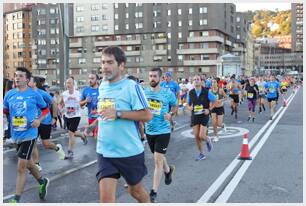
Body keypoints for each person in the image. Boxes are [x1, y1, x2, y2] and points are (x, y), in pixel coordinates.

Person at [85, 46, 152, 203]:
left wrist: (119, 113)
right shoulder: (102, 86)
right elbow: (106, 113)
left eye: (109, 62)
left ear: (121, 65)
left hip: (129, 152)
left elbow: (147, 115)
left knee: (135, 191)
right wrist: (94, 124)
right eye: (102, 63)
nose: (104, 67)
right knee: (106, 201)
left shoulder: (131, 87)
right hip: (105, 151)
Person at [3, 67, 50, 203]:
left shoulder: (34, 94)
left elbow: (45, 109)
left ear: (27, 80)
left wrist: (38, 120)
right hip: (16, 134)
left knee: (21, 166)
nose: (17, 78)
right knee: (29, 164)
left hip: (30, 134)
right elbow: (6, 111)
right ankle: (42, 181)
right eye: (16, 75)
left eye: (21, 76)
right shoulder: (9, 94)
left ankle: (15, 200)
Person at [144, 67, 178, 202]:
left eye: (154, 76)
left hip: (163, 131)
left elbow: (175, 105)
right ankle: (168, 171)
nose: (152, 78)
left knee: (157, 160)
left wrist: (171, 114)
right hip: (149, 131)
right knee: (159, 156)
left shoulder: (167, 93)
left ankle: (153, 191)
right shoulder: (145, 92)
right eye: (150, 76)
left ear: (160, 78)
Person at [28, 76, 66, 172]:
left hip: (45, 121)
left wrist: (54, 117)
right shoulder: (27, 93)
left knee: (46, 144)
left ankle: (57, 148)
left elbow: (53, 103)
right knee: (33, 143)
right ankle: (37, 164)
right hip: (34, 122)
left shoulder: (42, 93)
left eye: (30, 80)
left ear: (35, 83)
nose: (27, 81)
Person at [184, 74, 216, 161]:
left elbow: (215, 101)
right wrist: (189, 107)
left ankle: (208, 140)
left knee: (201, 135)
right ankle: (201, 154)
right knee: (196, 136)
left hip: (204, 115)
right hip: (195, 116)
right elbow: (187, 104)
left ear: (201, 81)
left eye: (198, 79)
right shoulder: (191, 92)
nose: (196, 81)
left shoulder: (206, 92)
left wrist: (209, 110)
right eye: (194, 79)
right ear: (193, 82)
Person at [59, 77, 88, 159]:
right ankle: (82, 135)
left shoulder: (78, 94)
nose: (68, 84)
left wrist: (84, 103)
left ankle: (70, 151)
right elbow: (60, 103)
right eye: (67, 83)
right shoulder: (64, 94)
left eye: (69, 83)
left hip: (76, 116)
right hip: (67, 116)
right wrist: (61, 109)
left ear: (73, 84)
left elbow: (82, 103)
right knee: (73, 132)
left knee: (71, 134)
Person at [80, 74, 100, 138]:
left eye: (92, 78)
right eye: (89, 78)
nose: (90, 80)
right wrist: (85, 101)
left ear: (97, 80)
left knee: (97, 137)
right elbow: (80, 103)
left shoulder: (102, 89)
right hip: (91, 118)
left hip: (100, 118)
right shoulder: (86, 90)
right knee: (94, 138)